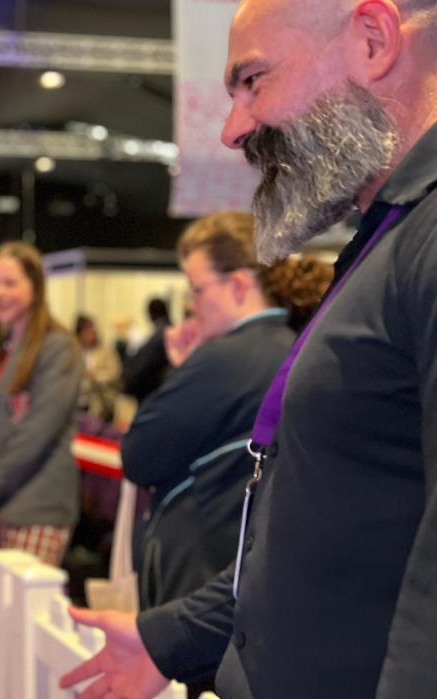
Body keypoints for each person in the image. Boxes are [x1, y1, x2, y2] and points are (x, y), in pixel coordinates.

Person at [61, 1, 437, 696]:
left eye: (253, 81)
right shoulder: (390, 234)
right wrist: (173, 638)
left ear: (374, 40)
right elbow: (335, 526)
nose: (234, 129)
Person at [123, 211, 331, 616]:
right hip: (242, 572)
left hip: (200, 579)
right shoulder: (291, 345)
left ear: (237, 285)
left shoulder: (226, 358)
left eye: (197, 291)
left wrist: (185, 369)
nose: (193, 306)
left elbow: (139, 455)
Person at [0, 242, 81, 567]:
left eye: (10, 283)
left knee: (20, 616)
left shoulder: (58, 347)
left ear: (35, 288)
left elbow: (38, 433)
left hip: (36, 508)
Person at [120, 298, 171, 402]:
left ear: (151, 313)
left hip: (153, 390)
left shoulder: (160, 335)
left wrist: (127, 381)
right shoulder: (169, 331)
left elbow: (143, 364)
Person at [74, 314, 121, 423]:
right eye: (87, 332)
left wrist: (95, 375)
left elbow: (114, 374)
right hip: (78, 402)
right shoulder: (73, 352)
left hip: (100, 403)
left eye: (93, 331)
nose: (91, 335)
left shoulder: (106, 351)